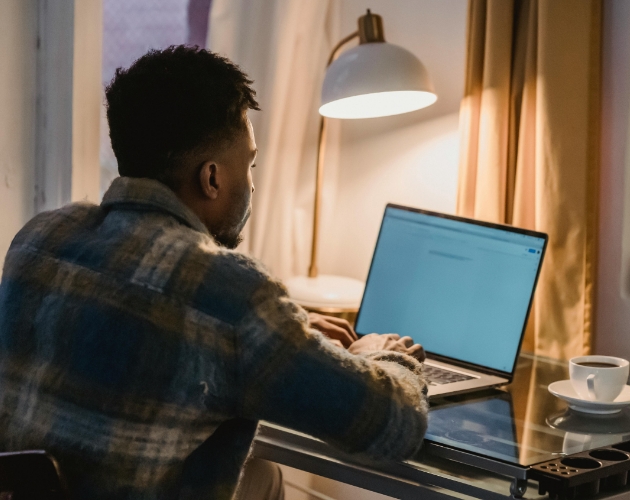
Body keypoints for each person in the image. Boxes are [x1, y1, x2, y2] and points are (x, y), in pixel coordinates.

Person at [0, 46, 428, 500]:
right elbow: (394, 426)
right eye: (250, 164)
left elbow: (140, 306)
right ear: (212, 178)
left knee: (262, 474)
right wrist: (383, 353)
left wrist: (284, 329)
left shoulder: (40, 238)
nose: (252, 182)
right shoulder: (233, 300)